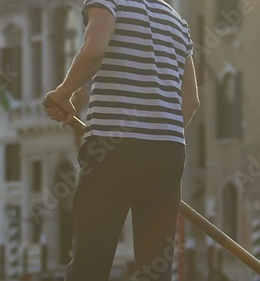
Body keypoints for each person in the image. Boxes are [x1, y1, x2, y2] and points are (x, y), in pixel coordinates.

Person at [43, 1, 199, 281]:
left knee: (90, 263)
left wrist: (63, 93)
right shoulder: (176, 20)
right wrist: (157, 135)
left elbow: (94, 50)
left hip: (113, 148)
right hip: (168, 152)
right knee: (155, 270)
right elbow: (191, 100)